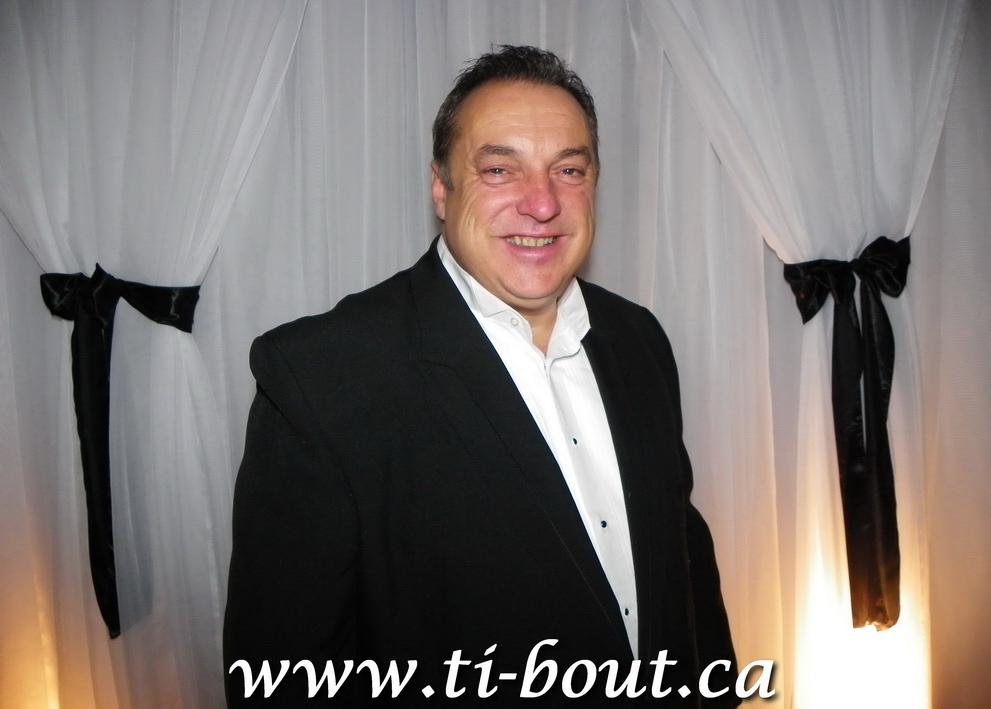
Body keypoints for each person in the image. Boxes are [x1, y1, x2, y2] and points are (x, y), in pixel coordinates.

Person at [223, 45, 739, 707]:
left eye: (569, 170)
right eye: (500, 169)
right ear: (442, 189)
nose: (542, 203)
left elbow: (684, 566)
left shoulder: (638, 339)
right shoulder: (321, 378)